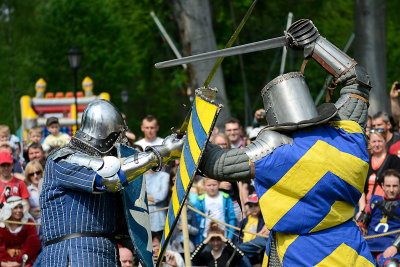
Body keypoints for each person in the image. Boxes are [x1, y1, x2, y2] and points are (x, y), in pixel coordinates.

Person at [198, 19, 374, 265]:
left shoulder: (275, 151)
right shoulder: (347, 135)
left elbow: (213, 164)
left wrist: (192, 134)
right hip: (352, 251)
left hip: (300, 254)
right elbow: (358, 79)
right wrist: (314, 43)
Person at [40, 99, 184, 266]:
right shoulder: (61, 160)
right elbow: (110, 180)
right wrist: (161, 153)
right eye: (116, 138)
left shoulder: (100, 166)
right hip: (72, 254)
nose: (120, 144)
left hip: (106, 253)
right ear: (104, 137)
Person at [360, 169, 400, 266]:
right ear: (382, 186)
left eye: (395, 186)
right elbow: (362, 224)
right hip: (368, 246)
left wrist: (396, 247)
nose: (391, 190)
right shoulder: (374, 201)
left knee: (392, 265)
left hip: (389, 248)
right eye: (388, 186)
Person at [358, 130, 400, 217]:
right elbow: (361, 187)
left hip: (386, 207)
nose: (377, 144)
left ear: (385, 142)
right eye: (374, 141)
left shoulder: (393, 160)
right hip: (367, 208)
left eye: (380, 141)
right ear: (370, 143)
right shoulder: (366, 162)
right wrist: (362, 209)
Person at [0, 196, 41, 266]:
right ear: (8, 209)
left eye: (21, 207)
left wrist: (18, 262)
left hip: (26, 260)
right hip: (4, 261)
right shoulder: (2, 225)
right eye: (15, 208)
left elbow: (33, 244)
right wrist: (4, 263)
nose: (19, 210)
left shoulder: (28, 223)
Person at [195, 178, 236, 242]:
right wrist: (198, 240)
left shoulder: (226, 198)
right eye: (209, 185)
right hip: (205, 235)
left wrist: (230, 236)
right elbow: (197, 220)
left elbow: (232, 218)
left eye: (214, 185)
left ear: (219, 184)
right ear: (204, 185)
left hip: (223, 235)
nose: (212, 188)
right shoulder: (200, 200)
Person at [235, 193, 268, 266]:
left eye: (256, 205)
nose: (253, 208)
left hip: (257, 250)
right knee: (241, 255)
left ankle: (235, 249)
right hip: (245, 249)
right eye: (250, 206)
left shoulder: (264, 220)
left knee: (237, 250)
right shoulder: (243, 221)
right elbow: (237, 235)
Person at [145, 169, 170, 235]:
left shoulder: (164, 176)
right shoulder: (141, 177)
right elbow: (137, 196)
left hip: (159, 220)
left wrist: (144, 196)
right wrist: (153, 198)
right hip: (145, 220)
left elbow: (161, 196)